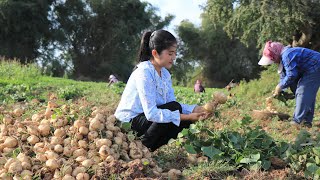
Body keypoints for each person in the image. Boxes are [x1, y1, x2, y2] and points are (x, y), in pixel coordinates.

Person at [114, 30, 210, 151]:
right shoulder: (144, 72)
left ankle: (149, 148)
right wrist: (187, 116)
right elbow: (152, 113)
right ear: (155, 53)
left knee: (177, 111)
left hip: (145, 120)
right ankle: (141, 148)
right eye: (170, 53)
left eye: (175, 53)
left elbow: (171, 103)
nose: (174, 57)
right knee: (177, 114)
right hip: (129, 122)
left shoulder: (165, 74)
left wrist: (194, 109)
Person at [258, 40, 320, 127]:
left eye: (273, 59)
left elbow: (291, 75)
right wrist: (279, 90)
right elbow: (284, 77)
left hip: (315, 66)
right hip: (308, 70)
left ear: (275, 54)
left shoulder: (287, 55)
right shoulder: (283, 60)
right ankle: (306, 121)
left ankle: (297, 121)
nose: (274, 62)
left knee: (303, 91)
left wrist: (280, 86)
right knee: (302, 92)